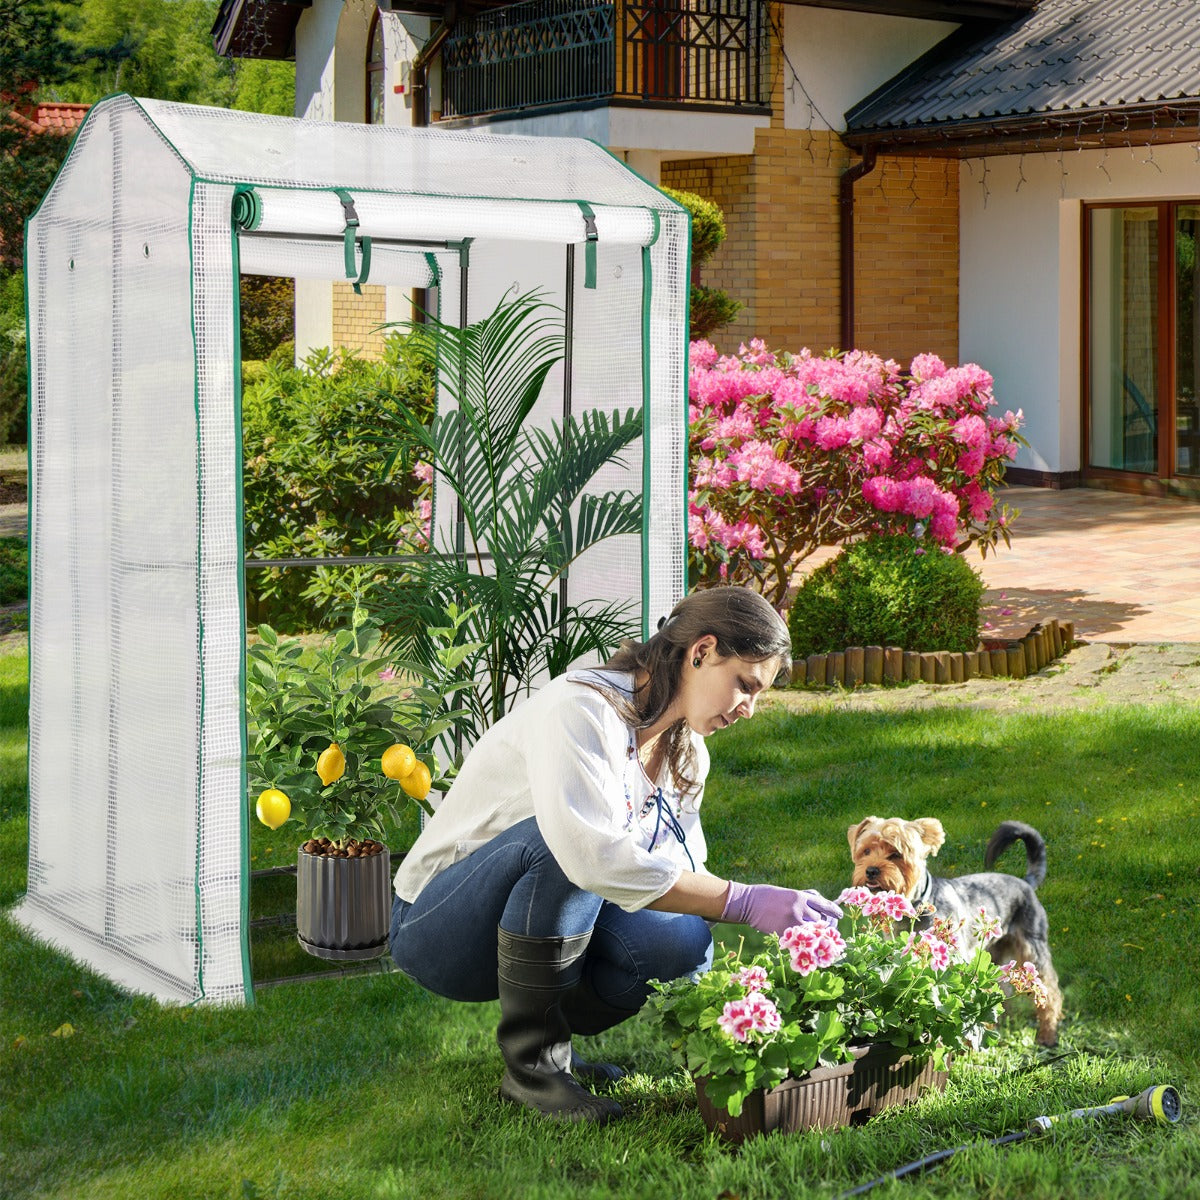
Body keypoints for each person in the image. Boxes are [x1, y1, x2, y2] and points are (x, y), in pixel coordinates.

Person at [388, 586, 842, 1124]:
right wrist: (742, 901)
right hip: (439, 928)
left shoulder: (686, 753)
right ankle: (532, 1068)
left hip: (530, 928)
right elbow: (590, 855)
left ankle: (555, 1043)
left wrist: (735, 1006)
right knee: (564, 845)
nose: (749, 709)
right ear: (701, 651)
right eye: (745, 684)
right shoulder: (580, 709)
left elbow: (678, 876)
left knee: (682, 939)